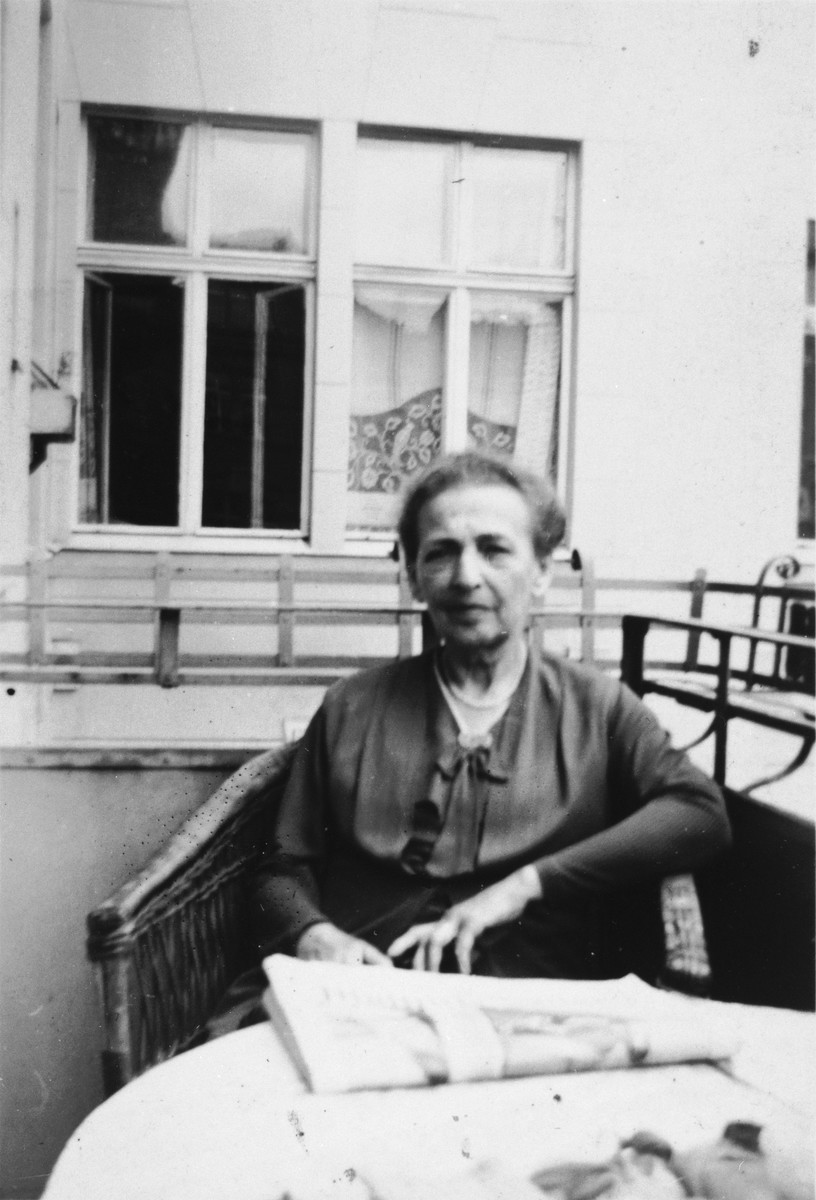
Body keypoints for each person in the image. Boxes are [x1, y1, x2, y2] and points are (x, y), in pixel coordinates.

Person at [251, 451, 731, 982]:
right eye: (440, 553)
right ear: (413, 576)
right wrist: (313, 934)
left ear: (543, 571)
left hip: (530, 1000)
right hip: (359, 988)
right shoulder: (351, 707)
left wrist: (528, 883)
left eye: (494, 550)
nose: (465, 577)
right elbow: (283, 867)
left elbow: (699, 813)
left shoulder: (599, 707)